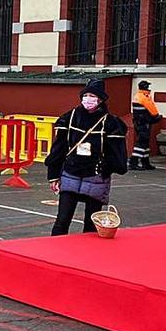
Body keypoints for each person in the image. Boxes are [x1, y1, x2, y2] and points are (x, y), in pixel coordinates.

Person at [45, 79, 129, 235]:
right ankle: (54, 251)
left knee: (91, 224)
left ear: (100, 99)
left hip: (95, 178)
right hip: (70, 174)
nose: (88, 99)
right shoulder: (69, 117)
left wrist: (106, 169)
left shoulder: (110, 123)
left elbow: (116, 153)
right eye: (86, 95)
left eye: (92, 96)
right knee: (62, 220)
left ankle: (86, 256)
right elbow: (58, 149)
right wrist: (53, 175)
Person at [129, 80, 164, 171]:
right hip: (144, 123)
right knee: (142, 142)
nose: (149, 88)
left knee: (144, 143)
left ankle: (145, 162)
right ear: (145, 87)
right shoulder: (144, 97)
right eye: (148, 86)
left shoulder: (137, 96)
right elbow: (152, 110)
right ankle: (134, 162)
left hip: (138, 123)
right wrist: (157, 117)